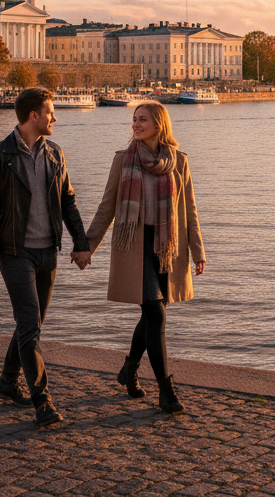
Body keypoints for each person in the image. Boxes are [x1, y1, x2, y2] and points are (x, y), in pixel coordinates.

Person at [0, 87, 92, 426]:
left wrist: (80, 244)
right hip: (14, 253)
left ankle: (7, 383)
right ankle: (43, 401)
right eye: (50, 112)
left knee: (32, 324)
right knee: (29, 322)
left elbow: (68, 201)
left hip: (48, 252)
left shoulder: (55, 154)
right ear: (33, 116)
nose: (55, 117)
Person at [86, 101, 206, 414]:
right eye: (134, 120)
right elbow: (107, 207)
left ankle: (129, 370)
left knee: (152, 314)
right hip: (135, 245)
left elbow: (189, 209)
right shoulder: (124, 159)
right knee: (156, 313)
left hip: (169, 246)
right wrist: (87, 245)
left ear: (158, 124)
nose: (136, 125)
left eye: (142, 120)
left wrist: (198, 251)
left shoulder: (179, 161)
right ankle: (166, 391)